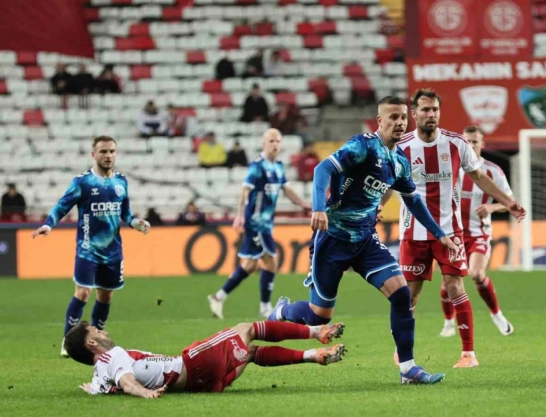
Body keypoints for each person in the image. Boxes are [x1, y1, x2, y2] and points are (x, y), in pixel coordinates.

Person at [267, 96, 456, 385]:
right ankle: (282, 310)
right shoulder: (363, 146)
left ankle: (408, 369)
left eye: (403, 117)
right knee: (319, 317)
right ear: (380, 121)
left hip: (366, 240)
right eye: (393, 117)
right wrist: (318, 208)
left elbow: (413, 200)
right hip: (333, 239)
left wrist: (440, 233)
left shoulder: (399, 161)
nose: (400, 122)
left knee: (401, 294)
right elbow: (322, 169)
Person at [382, 89, 525, 368]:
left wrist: (508, 202)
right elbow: (389, 183)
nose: (431, 114)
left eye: (435, 109)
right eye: (425, 110)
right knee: (409, 295)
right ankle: (403, 349)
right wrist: (378, 205)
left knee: (455, 286)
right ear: (414, 114)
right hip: (414, 232)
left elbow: (479, 176)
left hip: (450, 232)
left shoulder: (457, 144)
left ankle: (469, 354)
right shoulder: (401, 147)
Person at [31, 136, 151, 358]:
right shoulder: (83, 183)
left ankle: (97, 341)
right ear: (93, 154)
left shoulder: (121, 182)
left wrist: (136, 223)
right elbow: (62, 206)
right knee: (83, 293)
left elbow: (125, 212)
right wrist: (48, 224)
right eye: (103, 151)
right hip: (87, 250)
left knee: (105, 297)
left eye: (112, 151)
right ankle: (68, 341)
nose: (108, 156)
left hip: (113, 252)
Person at [64, 319, 346, 397]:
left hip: (203, 385)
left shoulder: (99, 376)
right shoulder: (113, 356)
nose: (104, 331)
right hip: (193, 363)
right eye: (97, 331)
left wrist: (92, 389)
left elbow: (106, 386)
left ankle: (314, 355)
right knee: (246, 329)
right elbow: (127, 382)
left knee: (249, 353)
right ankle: (316, 332)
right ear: (92, 343)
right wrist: (143, 393)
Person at [208, 129, 311, 319]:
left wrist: (304, 204)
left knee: (250, 265)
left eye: (277, 141)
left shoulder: (278, 166)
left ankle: (218, 297)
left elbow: (287, 190)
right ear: (264, 143)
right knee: (271, 262)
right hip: (255, 222)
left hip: (266, 224)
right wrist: (240, 215)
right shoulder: (257, 165)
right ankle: (265, 308)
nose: (274, 144)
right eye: (271, 141)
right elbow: (245, 190)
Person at [436, 126, 514, 339]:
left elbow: (510, 202)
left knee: (477, 274)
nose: (470, 145)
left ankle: (496, 314)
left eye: (475, 142)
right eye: (467, 141)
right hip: (453, 233)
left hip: (479, 232)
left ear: (482, 144)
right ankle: (448, 323)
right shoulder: (449, 167)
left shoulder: (493, 171)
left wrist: (492, 207)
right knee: (448, 282)